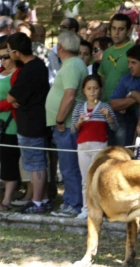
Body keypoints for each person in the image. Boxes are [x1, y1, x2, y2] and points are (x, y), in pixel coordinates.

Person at [6, 32, 50, 214]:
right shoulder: (39, 65)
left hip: (30, 124)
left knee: (35, 163)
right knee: (37, 162)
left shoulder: (29, 70)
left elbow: (11, 96)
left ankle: (37, 202)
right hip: (36, 119)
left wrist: (14, 99)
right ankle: (44, 198)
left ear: (17, 52)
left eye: (9, 51)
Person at [46, 30, 88, 218]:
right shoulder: (74, 63)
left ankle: (73, 204)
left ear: (60, 48)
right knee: (69, 165)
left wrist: (60, 120)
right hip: (69, 123)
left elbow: (69, 96)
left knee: (69, 166)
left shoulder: (71, 66)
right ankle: (72, 202)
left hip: (68, 124)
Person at [70, 74, 118, 219]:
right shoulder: (79, 108)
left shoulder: (105, 107)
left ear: (100, 90)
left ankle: (100, 209)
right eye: (89, 88)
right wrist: (79, 122)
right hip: (83, 147)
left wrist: (109, 116)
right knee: (86, 179)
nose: (92, 92)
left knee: (99, 179)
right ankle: (86, 208)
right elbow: (73, 130)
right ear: (84, 90)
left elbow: (115, 127)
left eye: (95, 88)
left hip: (99, 145)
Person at [99, 13, 135, 147]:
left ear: (128, 30)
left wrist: (127, 103)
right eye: (113, 28)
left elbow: (139, 80)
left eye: (121, 29)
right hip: (106, 109)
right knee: (108, 151)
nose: (116, 32)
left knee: (122, 152)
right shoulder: (107, 52)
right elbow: (103, 80)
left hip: (124, 109)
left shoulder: (133, 51)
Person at [0, 40, 20, 211]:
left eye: (6, 57)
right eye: (0, 58)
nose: (3, 61)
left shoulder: (18, 74)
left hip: (10, 125)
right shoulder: (0, 71)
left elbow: (13, 100)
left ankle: (7, 199)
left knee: (9, 162)